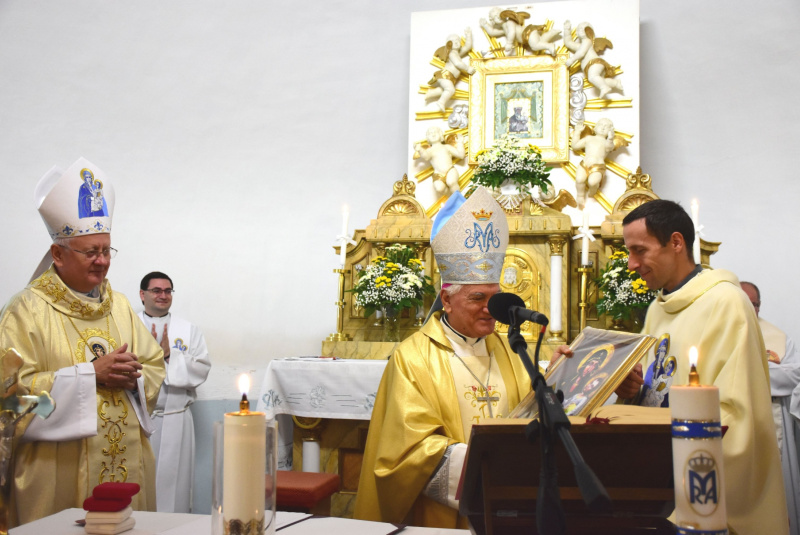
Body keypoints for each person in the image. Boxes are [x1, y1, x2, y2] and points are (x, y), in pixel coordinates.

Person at [586, 199, 786, 535]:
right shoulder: (657, 309)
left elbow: (738, 413)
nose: (631, 264)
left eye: (639, 250)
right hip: (656, 479)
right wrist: (632, 389)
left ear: (676, 242)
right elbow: (655, 390)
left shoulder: (726, 303)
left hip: (696, 481)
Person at [0, 157, 165, 526]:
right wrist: (89, 376)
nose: (102, 262)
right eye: (90, 252)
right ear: (57, 254)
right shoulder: (25, 311)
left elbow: (153, 366)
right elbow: (10, 400)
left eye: (107, 250)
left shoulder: (120, 306)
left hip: (127, 470)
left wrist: (134, 377)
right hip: (54, 475)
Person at [354, 187, 531, 529]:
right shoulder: (413, 357)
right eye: (478, 298)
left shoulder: (512, 350)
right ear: (447, 301)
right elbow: (405, 454)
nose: (490, 309)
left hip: (510, 513)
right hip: (444, 518)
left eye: (495, 299)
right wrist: (489, 469)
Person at [138, 271, 211, 513]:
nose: (163, 295)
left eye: (168, 291)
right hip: (138, 420)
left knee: (177, 486)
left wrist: (170, 356)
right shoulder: (128, 325)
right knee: (140, 484)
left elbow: (202, 368)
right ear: (142, 294)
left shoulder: (188, 330)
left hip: (177, 418)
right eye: (156, 290)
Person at [741, 281, 800, 535]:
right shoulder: (721, 333)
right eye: (741, 303)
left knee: (777, 489)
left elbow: (792, 377)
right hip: (737, 422)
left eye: (751, 303)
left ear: (759, 306)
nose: (746, 308)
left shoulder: (778, 338)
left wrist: (749, 371)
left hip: (770, 419)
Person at [570, 118, 625, 210]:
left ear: (610, 131)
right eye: (600, 125)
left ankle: (593, 190)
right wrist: (577, 132)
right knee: (579, 180)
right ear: (594, 128)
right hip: (584, 164)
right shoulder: (588, 138)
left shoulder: (607, 142)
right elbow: (575, 146)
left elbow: (609, 148)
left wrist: (611, 138)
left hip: (598, 166)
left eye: (606, 127)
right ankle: (580, 196)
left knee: (593, 182)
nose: (603, 127)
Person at [563, 20, 623, 99]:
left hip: (595, 63)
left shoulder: (587, 41)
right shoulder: (579, 46)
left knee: (593, 77)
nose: (579, 31)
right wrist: (567, 31)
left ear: (588, 31)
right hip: (590, 66)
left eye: (582, 29)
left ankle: (604, 88)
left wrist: (571, 60)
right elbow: (568, 43)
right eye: (578, 29)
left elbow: (581, 53)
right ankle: (615, 83)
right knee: (597, 80)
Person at [425, 29, 475, 113]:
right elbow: (458, 64)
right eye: (453, 41)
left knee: (443, 90)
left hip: (450, 78)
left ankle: (430, 93)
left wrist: (468, 35)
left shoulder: (457, 53)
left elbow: (467, 47)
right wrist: (467, 68)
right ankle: (441, 102)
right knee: (450, 90)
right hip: (446, 76)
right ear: (449, 44)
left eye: (458, 40)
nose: (456, 42)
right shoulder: (452, 54)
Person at [413, 126, 465, 198]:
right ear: (428, 137)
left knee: (451, 182)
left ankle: (458, 199)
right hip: (438, 174)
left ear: (440, 135)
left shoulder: (446, 147)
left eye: (435, 133)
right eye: (431, 134)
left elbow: (461, 155)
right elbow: (426, 156)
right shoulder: (429, 150)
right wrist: (420, 150)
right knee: (439, 188)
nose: (433, 135)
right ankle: (450, 197)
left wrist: (460, 143)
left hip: (450, 170)